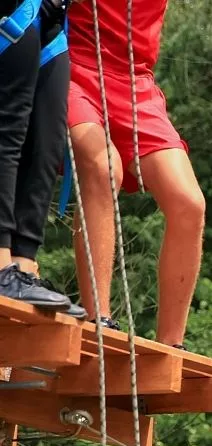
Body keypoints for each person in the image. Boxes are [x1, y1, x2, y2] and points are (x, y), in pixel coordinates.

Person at [67, 0, 203, 346]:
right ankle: (98, 318)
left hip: (134, 82)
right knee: (103, 166)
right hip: (74, 64)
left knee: (188, 203)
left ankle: (171, 344)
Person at [0, 0, 84, 316]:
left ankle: (24, 266)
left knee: (46, 143)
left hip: (52, 19)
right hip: (17, 11)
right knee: (8, 133)